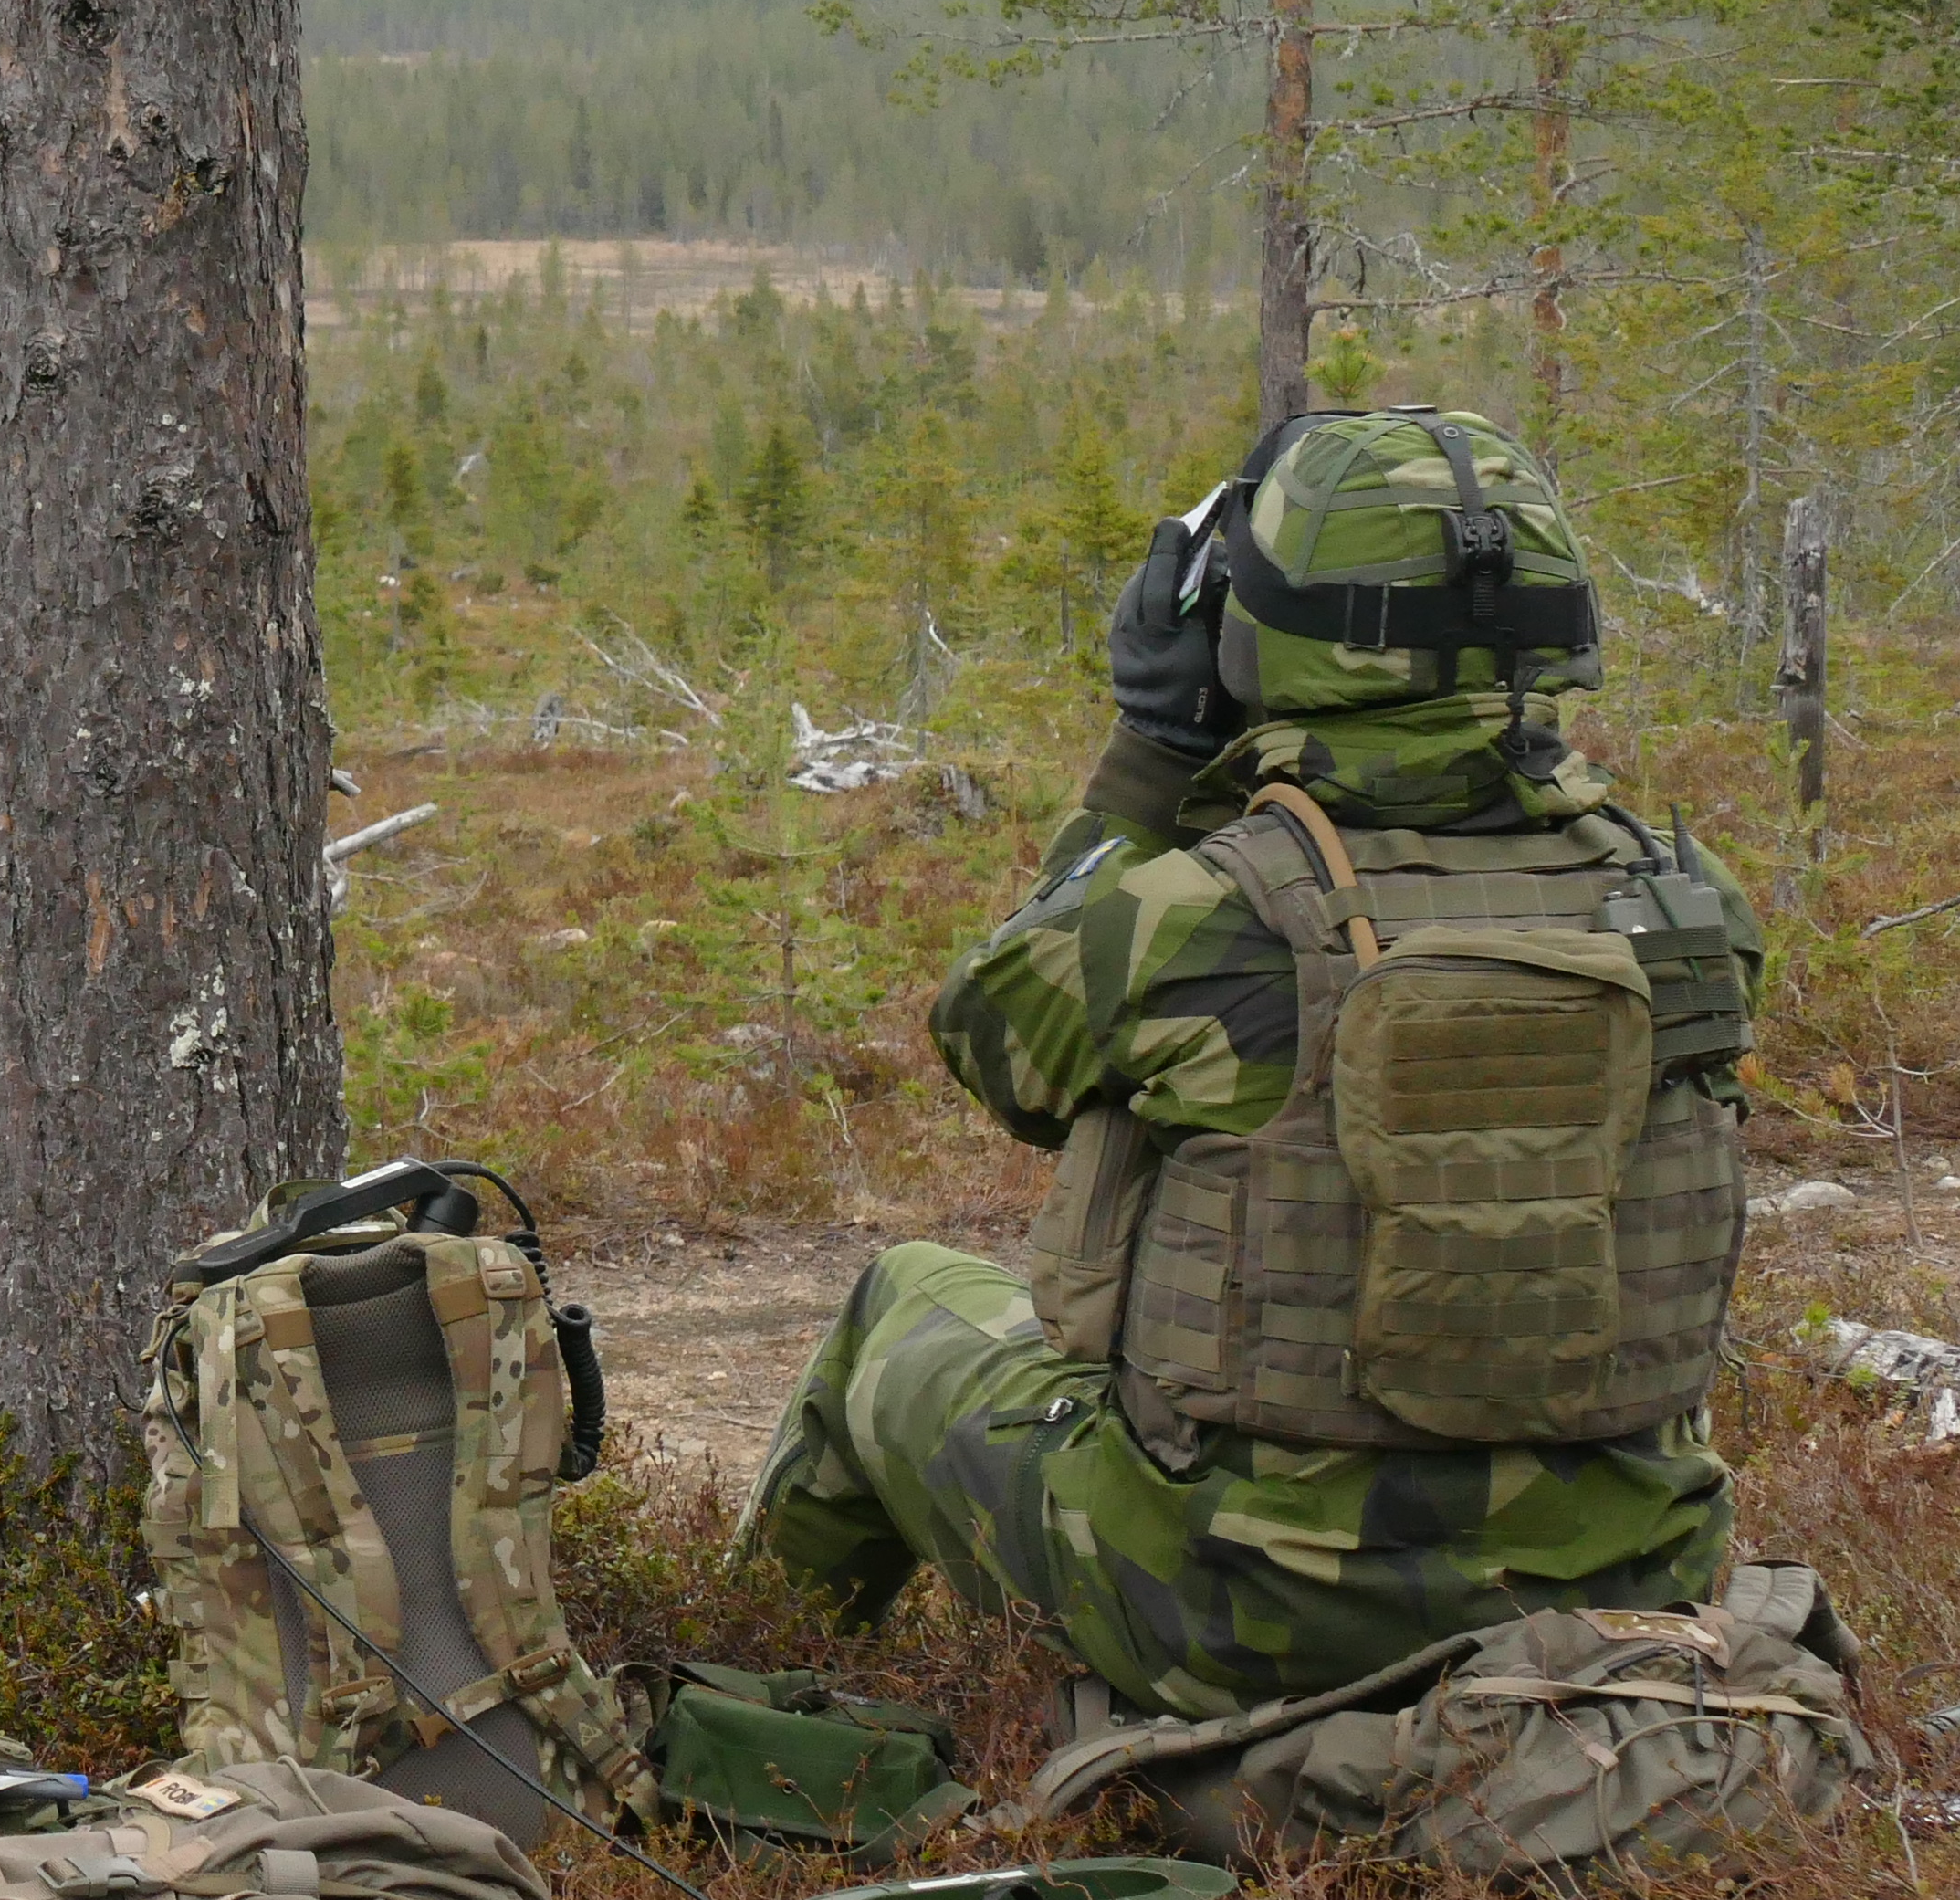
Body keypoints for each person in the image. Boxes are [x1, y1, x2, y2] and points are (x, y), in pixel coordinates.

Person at [741, 407, 1762, 1718]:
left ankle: (756, 1705)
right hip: (1629, 1598)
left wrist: (1156, 756)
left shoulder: (1204, 914)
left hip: (1247, 1616)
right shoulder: (1690, 908)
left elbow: (994, 1037)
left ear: (1258, 635)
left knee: (901, 1301)